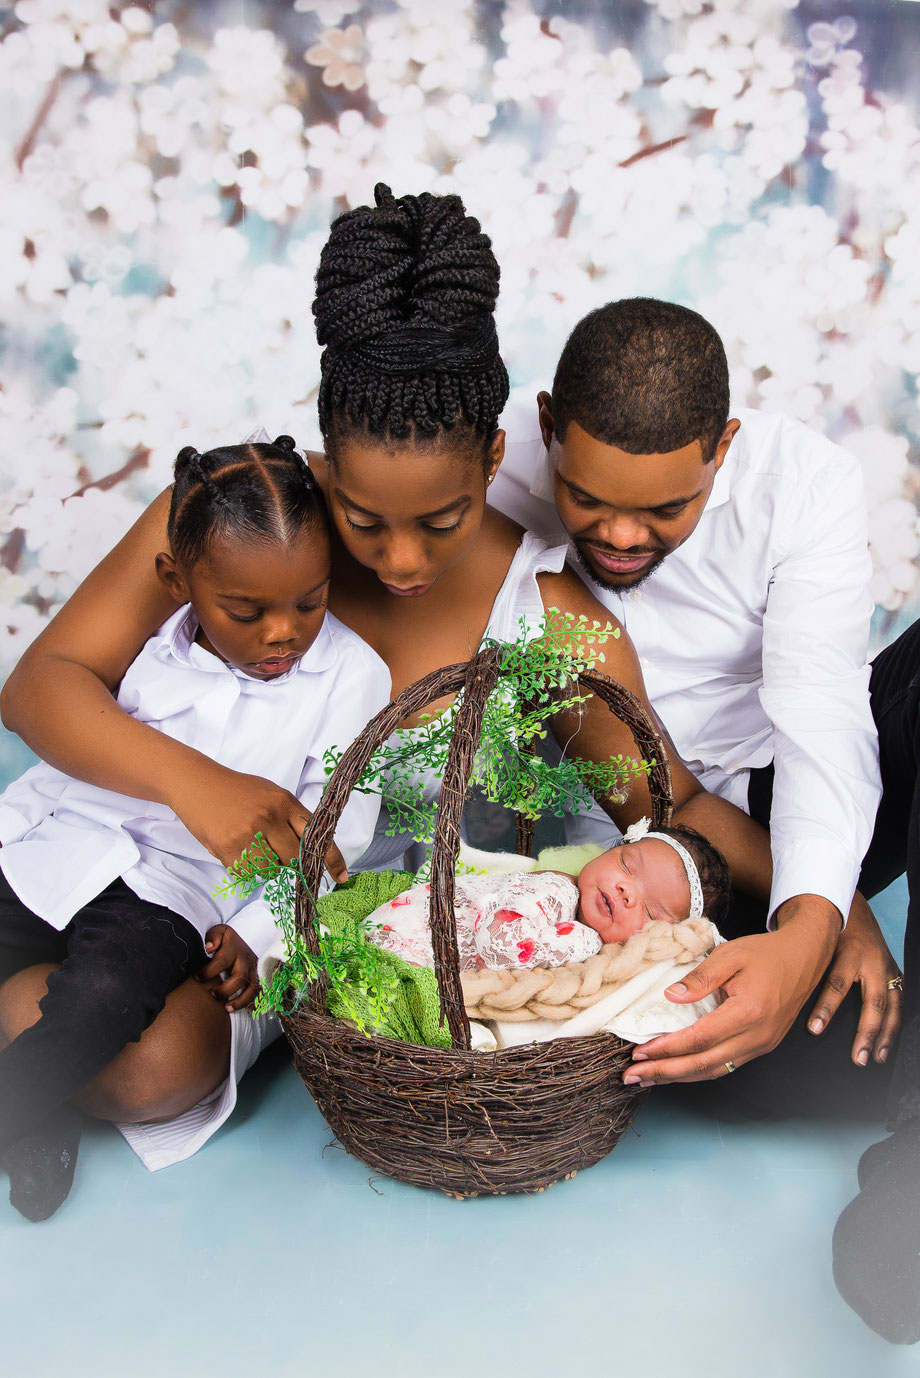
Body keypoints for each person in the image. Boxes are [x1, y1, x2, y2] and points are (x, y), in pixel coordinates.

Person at [0, 187, 778, 1147]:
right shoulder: (248, 516)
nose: (399, 562)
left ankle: (46, 1024)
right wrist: (193, 783)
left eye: (441, 521)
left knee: (159, 1068)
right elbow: (40, 685)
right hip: (105, 824)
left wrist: (826, 906)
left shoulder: (548, 618)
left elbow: (668, 801)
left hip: (260, 924)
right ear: (328, 461)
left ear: (496, 456)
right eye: (362, 521)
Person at [489, 297, 919, 1342]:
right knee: (722, 1050)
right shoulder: (481, 495)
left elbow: (822, 714)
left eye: (663, 510)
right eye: (589, 499)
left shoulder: (797, 480)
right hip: (659, 871)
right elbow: (657, 796)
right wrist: (803, 917)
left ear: (720, 449)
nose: (620, 535)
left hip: (812, 795)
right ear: (547, 425)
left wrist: (817, 909)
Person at [0, 434, 389, 1218]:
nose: (284, 632)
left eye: (309, 601)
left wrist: (262, 931)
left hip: (172, 889)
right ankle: (34, 1117)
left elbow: (337, 841)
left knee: (106, 997)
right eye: (247, 611)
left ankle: (18, 1107)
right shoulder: (150, 645)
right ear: (178, 582)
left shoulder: (353, 677)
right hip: (62, 840)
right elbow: (60, 712)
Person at [367, 821, 731, 971]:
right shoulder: (556, 889)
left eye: (649, 909)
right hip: (401, 941)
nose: (625, 890)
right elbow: (499, 943)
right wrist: (585, 942)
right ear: (608, 851)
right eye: (627, 866)